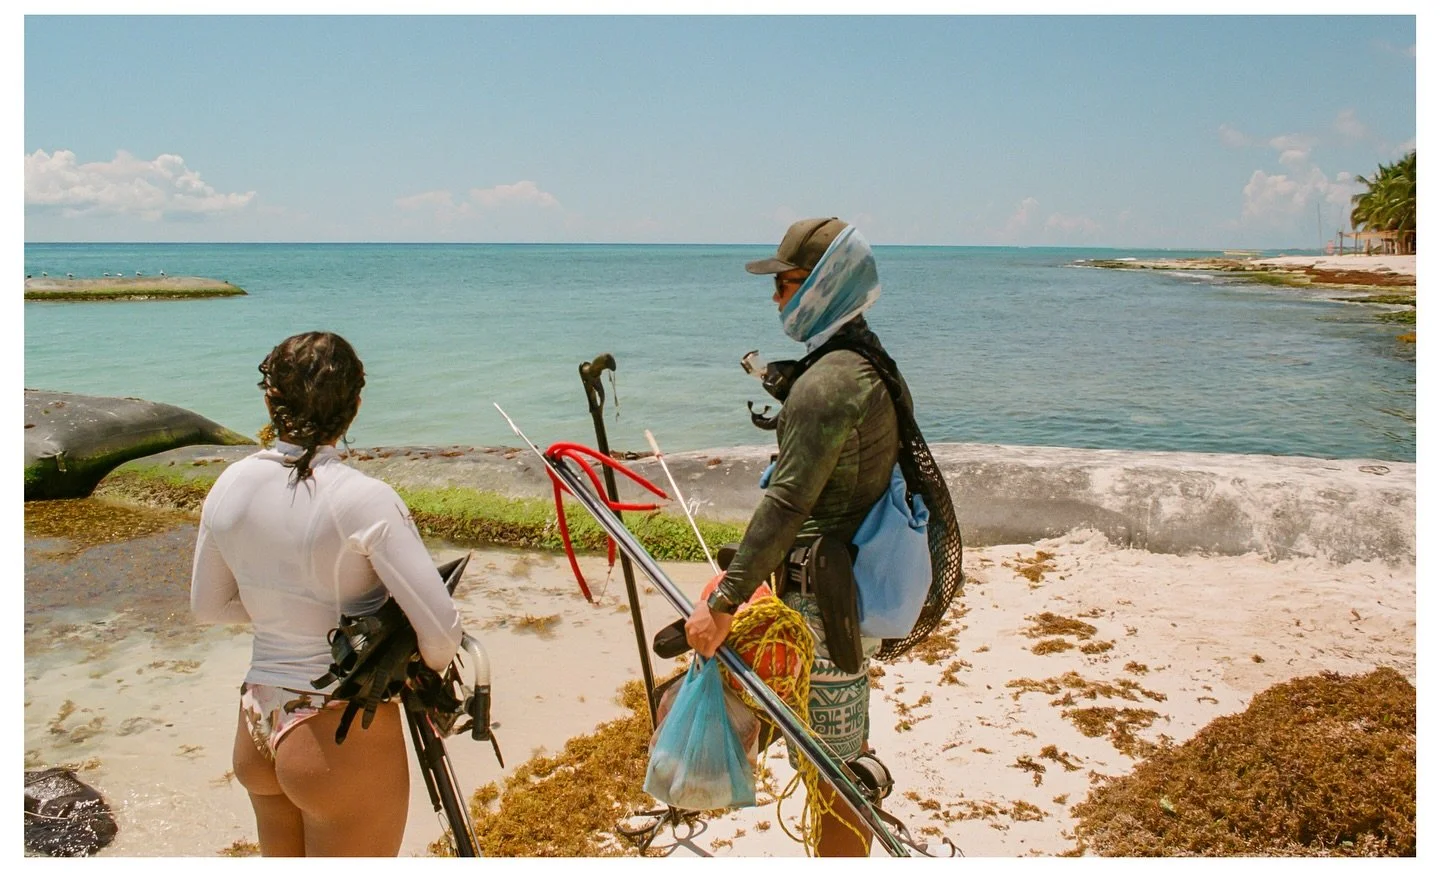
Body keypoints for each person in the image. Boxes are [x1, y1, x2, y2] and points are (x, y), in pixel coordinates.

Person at [190, 331, 462, 856]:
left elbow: (207, 607)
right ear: (355, 405)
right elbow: (442, 634)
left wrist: (281, 610)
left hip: (258, 720)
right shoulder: (364, 498)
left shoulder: (229, 485)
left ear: (271, 399)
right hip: (337, 733)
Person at [686, 217, 907, 856]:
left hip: (820, 600)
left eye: (785, 283)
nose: (776, 298)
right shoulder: (862, 358)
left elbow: (786, 503)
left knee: (832, 774)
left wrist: (725, 602)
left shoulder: (833, 381)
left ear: (824, 283)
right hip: (834, 585)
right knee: (831, 757)